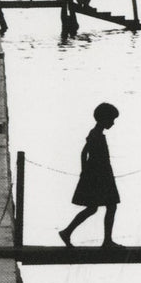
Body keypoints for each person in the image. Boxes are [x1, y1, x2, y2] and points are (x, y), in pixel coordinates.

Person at [59, 103, 121, 248]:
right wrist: (85, 172)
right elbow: (86, 153)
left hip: (99, 174)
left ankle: (67, 232)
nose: (112, 123)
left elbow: (83, 153)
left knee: (94, 208)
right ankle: (107, 241)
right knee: (110, 206)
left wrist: (84, 171)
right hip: (100, 176)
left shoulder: (95, 133)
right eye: (111, 119)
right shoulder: (96, 134)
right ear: (104, 119)